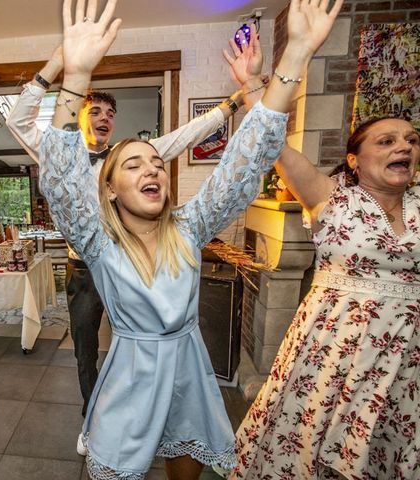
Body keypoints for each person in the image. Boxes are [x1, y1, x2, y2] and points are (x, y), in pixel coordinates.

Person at [38, 0, 342, 478]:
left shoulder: (190, 226)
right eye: (133, 164)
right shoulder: (96, 239)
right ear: (110, 190)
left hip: (188, 367)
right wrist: (75, 76)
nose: (152, 168)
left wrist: (295, 55)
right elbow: (59, 179)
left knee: (188, 466)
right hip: (131, 374)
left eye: (156, 162)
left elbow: (244, 161)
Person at [7, 19, 253, 428]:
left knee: (139, 343)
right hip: (84, 270)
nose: (105, 117)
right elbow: (17, 122)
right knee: (85, 345)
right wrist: (55, 65)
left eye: (111, 113)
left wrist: (229, 106)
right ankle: (93, 415)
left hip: (131, 262)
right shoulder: (56, 152)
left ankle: (147, 415)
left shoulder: (130, 158)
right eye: (96, 110)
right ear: (81, 115)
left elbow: (183, 136)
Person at [231, 121, 420, 475]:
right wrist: (255, 86)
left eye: (412, 140)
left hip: (407, 361)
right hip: (335, 352)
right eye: (387, 141)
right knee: (310, 441)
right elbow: (275, 144)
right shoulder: (332, 199)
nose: (405, 147)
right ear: (354, 160)